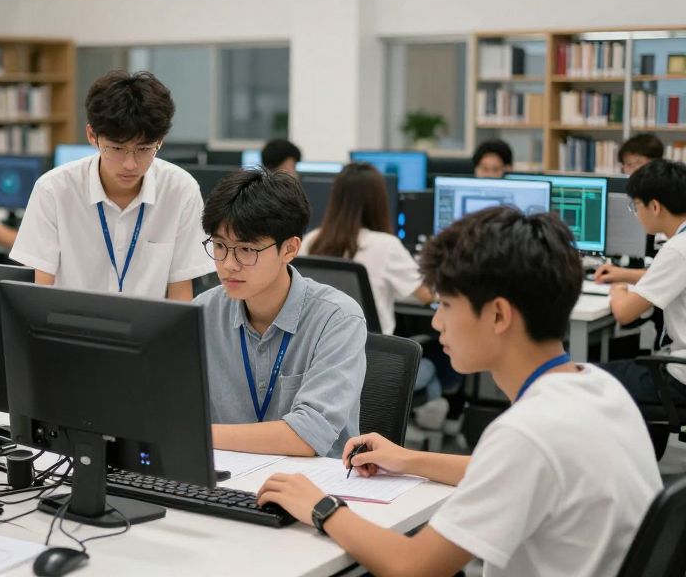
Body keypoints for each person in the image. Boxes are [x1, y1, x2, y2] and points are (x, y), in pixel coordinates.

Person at [258, 207, 661, 577]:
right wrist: (408, 458)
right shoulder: (597, 387)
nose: (436, 324)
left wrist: (320, 506)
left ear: (499, 314)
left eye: (446, 305)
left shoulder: (527, 433)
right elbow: (508, 471)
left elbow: (411, 567)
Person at [195, 168, 366, 457]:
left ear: (289, 249)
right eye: (220, 246)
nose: (228, 264)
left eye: (246, 250)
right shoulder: (202, 313)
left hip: (315, 488)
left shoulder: (337, 319)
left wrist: (196, 433)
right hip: (228, 479)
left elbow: (307, 437)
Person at [10, 70, 212, 300]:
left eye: (144, 149)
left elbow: (181, 291)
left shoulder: (180, 190)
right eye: (116, 148)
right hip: (71, 331)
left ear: (160, 141)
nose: (130, 164)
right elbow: (40, 292)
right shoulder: (53, 190)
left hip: (148, 333)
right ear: (92, 135)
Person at [300, 163, 433, 335]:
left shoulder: (311, 241)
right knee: (428, 362)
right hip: (370, 356)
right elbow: (427, 295)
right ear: (378, 202)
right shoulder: (387, 245)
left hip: (322, 352)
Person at [600, 160, 686, 411]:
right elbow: (671, 278)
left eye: (635, 205)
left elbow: (624, 313)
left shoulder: (676, 250)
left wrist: (617, 287)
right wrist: (623, 274)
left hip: (679, 377)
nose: (635, 213)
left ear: (655, 207)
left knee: (586, 378)